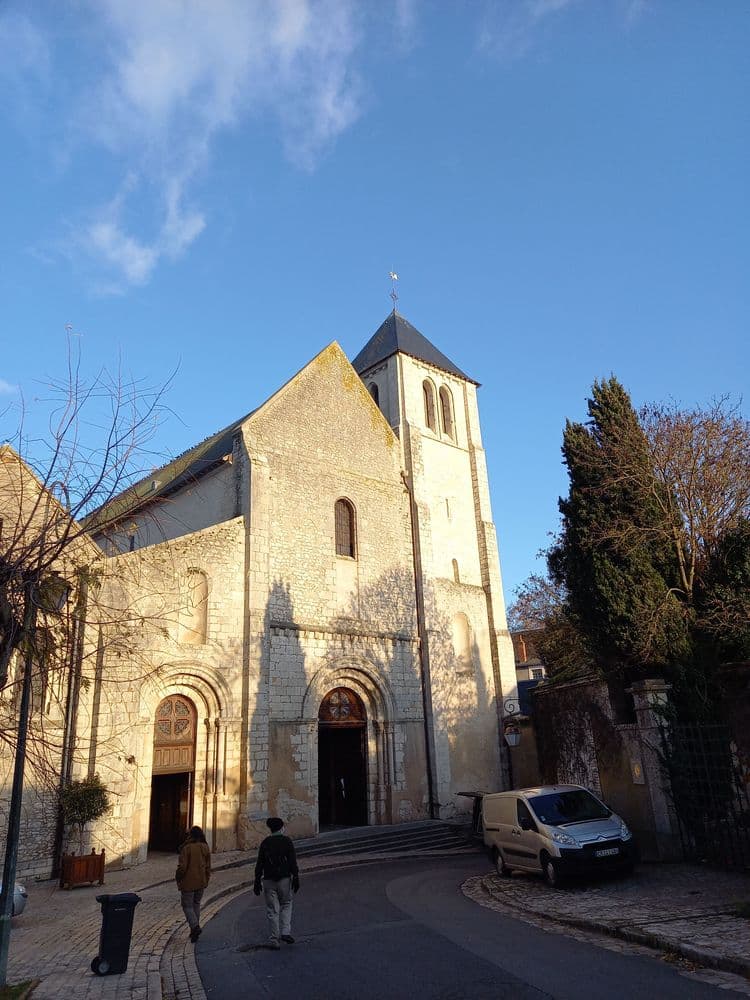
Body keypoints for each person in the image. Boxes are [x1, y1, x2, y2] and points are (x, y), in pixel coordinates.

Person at [253, 816, 300, 949]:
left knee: (272, 910)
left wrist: (257, 880)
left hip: (268, 880)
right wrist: (296, 877)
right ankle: (285, 931)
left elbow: (259, 863)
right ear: (281, 827)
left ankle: (274, 939)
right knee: (286, 903)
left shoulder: (265, 843)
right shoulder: (286, 841)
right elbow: (292, 861)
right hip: (284, 879)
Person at [176, 825, 211, 943]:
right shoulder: (205, 847)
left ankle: (195, 926)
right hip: (201, 881)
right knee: (196, 904)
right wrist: (206, 879)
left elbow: (182, 867)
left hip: (188, 882)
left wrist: (178, 877)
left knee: (187, 906)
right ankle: (193, 930)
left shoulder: (187, 848)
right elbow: (208, 866)